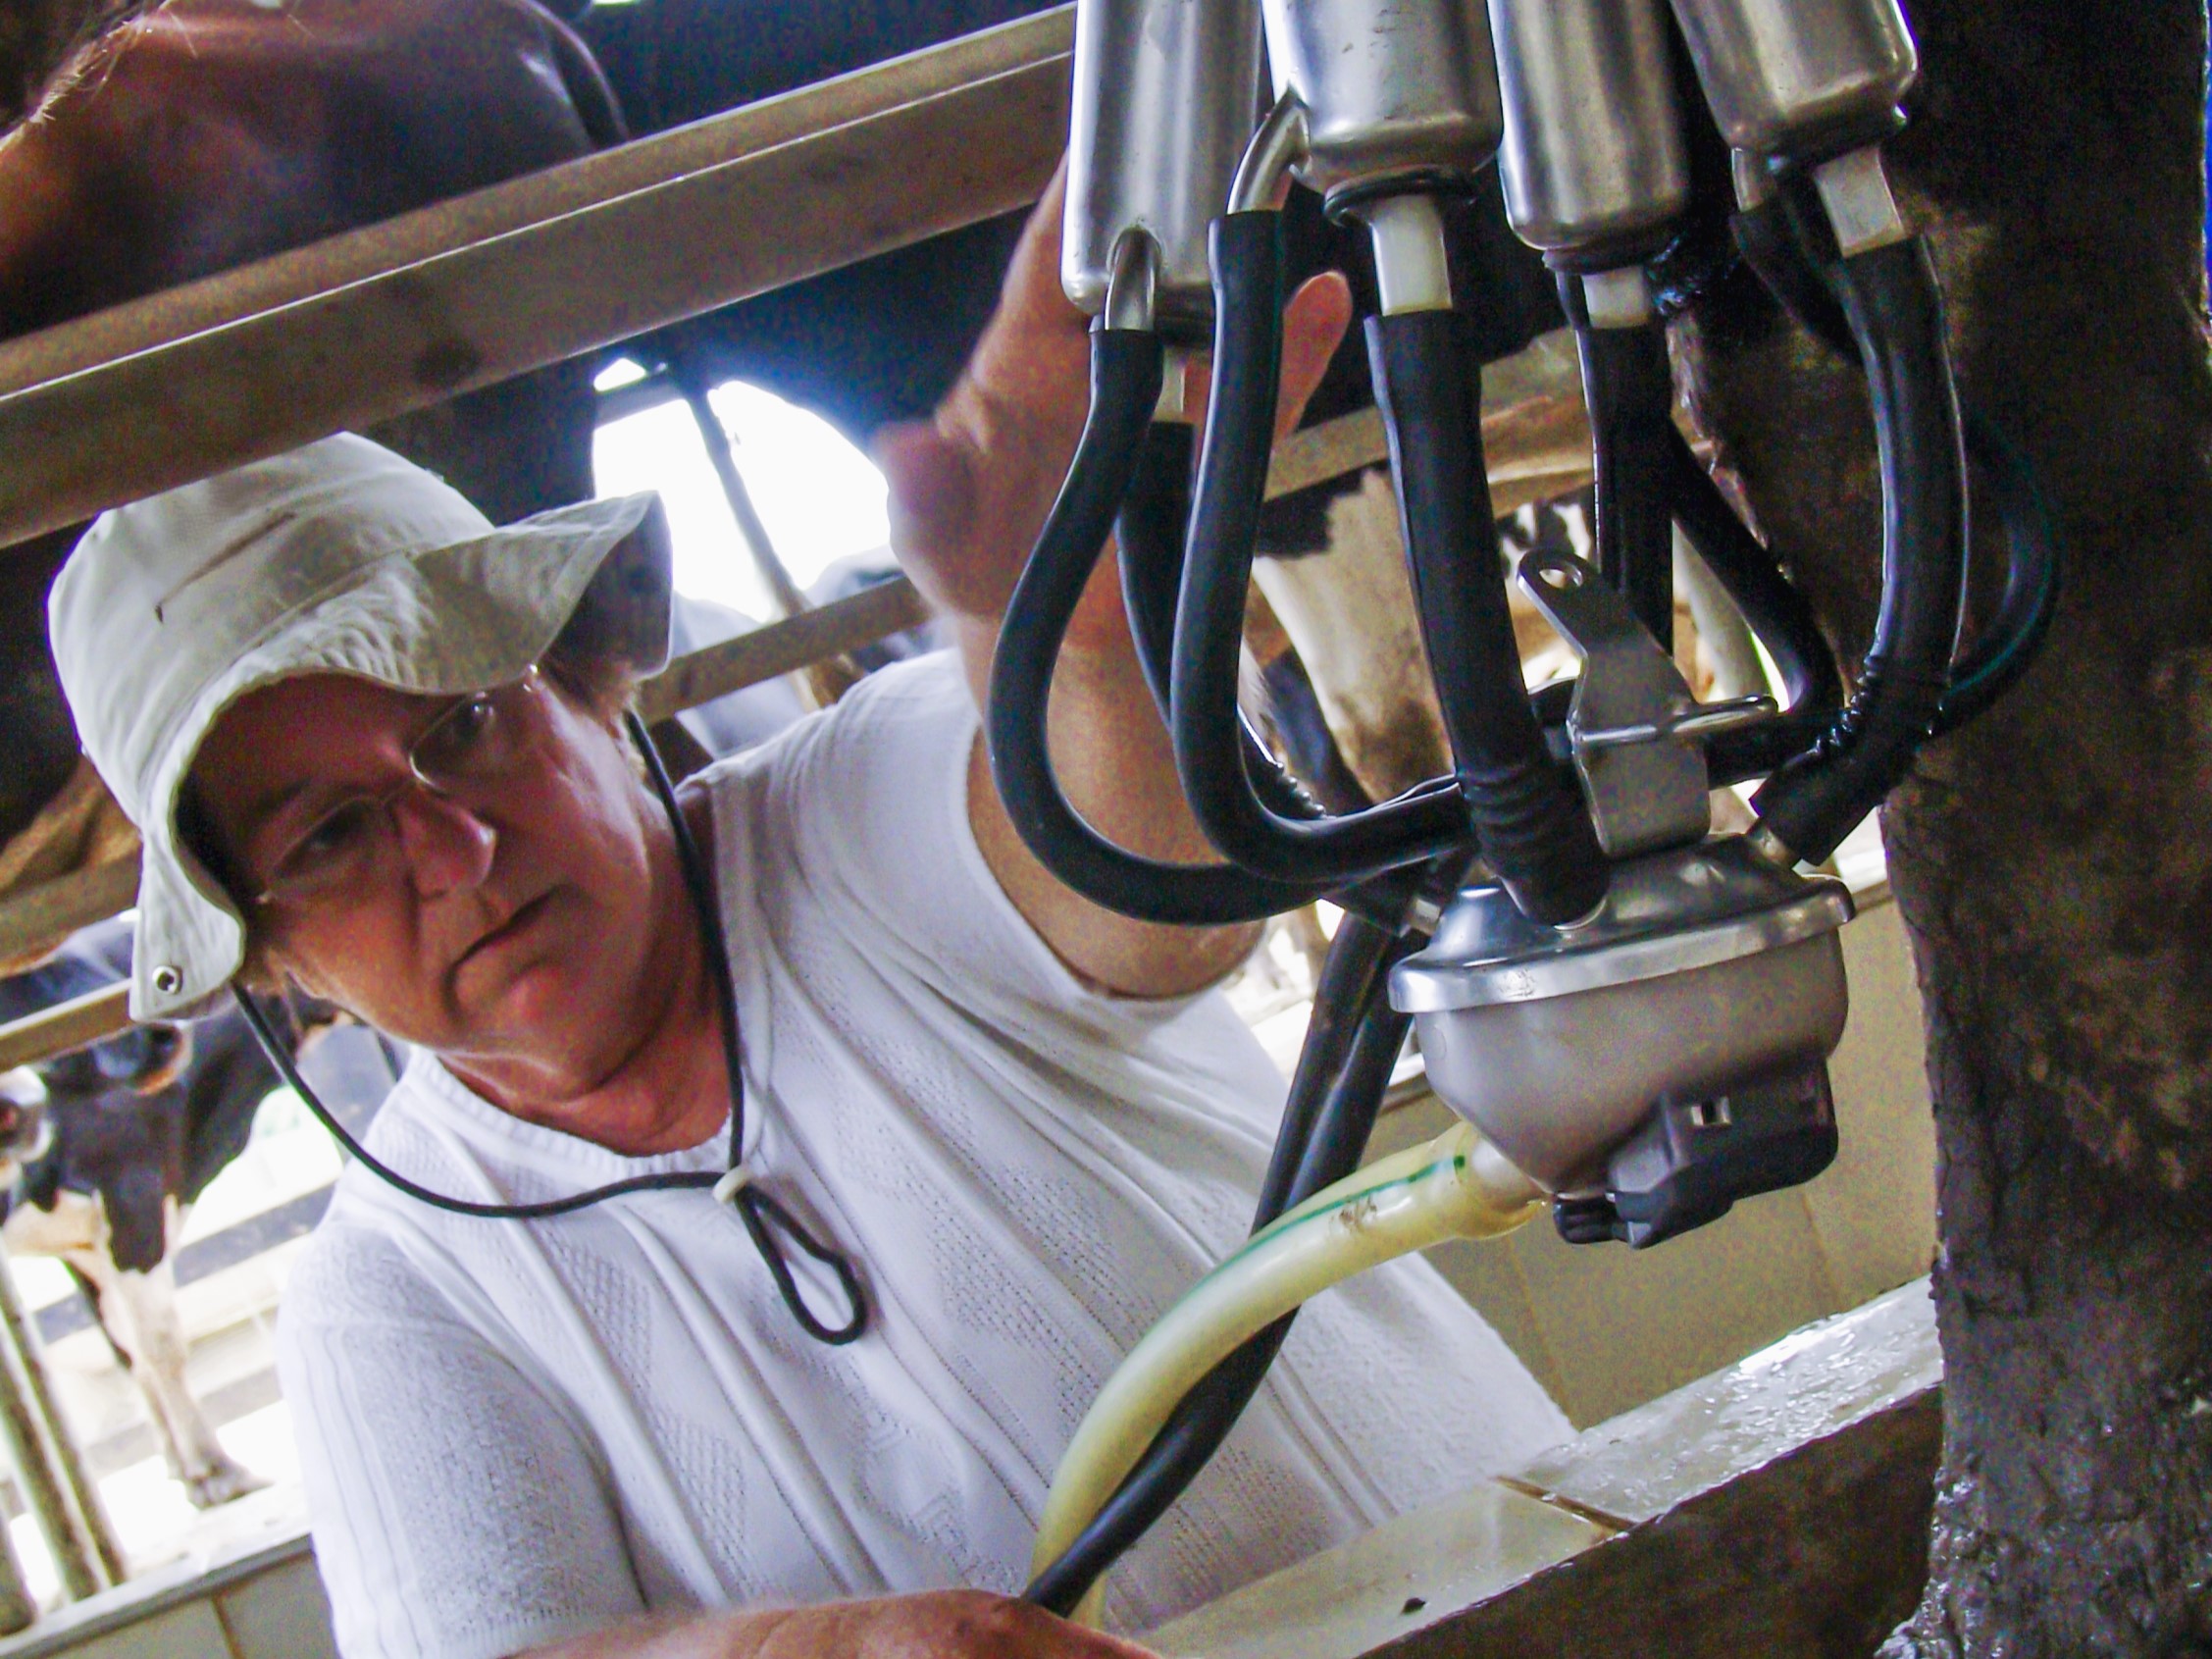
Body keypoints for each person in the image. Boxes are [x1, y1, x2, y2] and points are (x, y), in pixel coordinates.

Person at [47, 174, 1569, 1659]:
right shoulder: (394, 1300)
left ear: (594, 681)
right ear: (277, 965)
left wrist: (1074, 641)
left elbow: (1143, 897)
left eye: (461, 727)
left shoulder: (857, 808)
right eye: (327, 839)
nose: (448, 846)